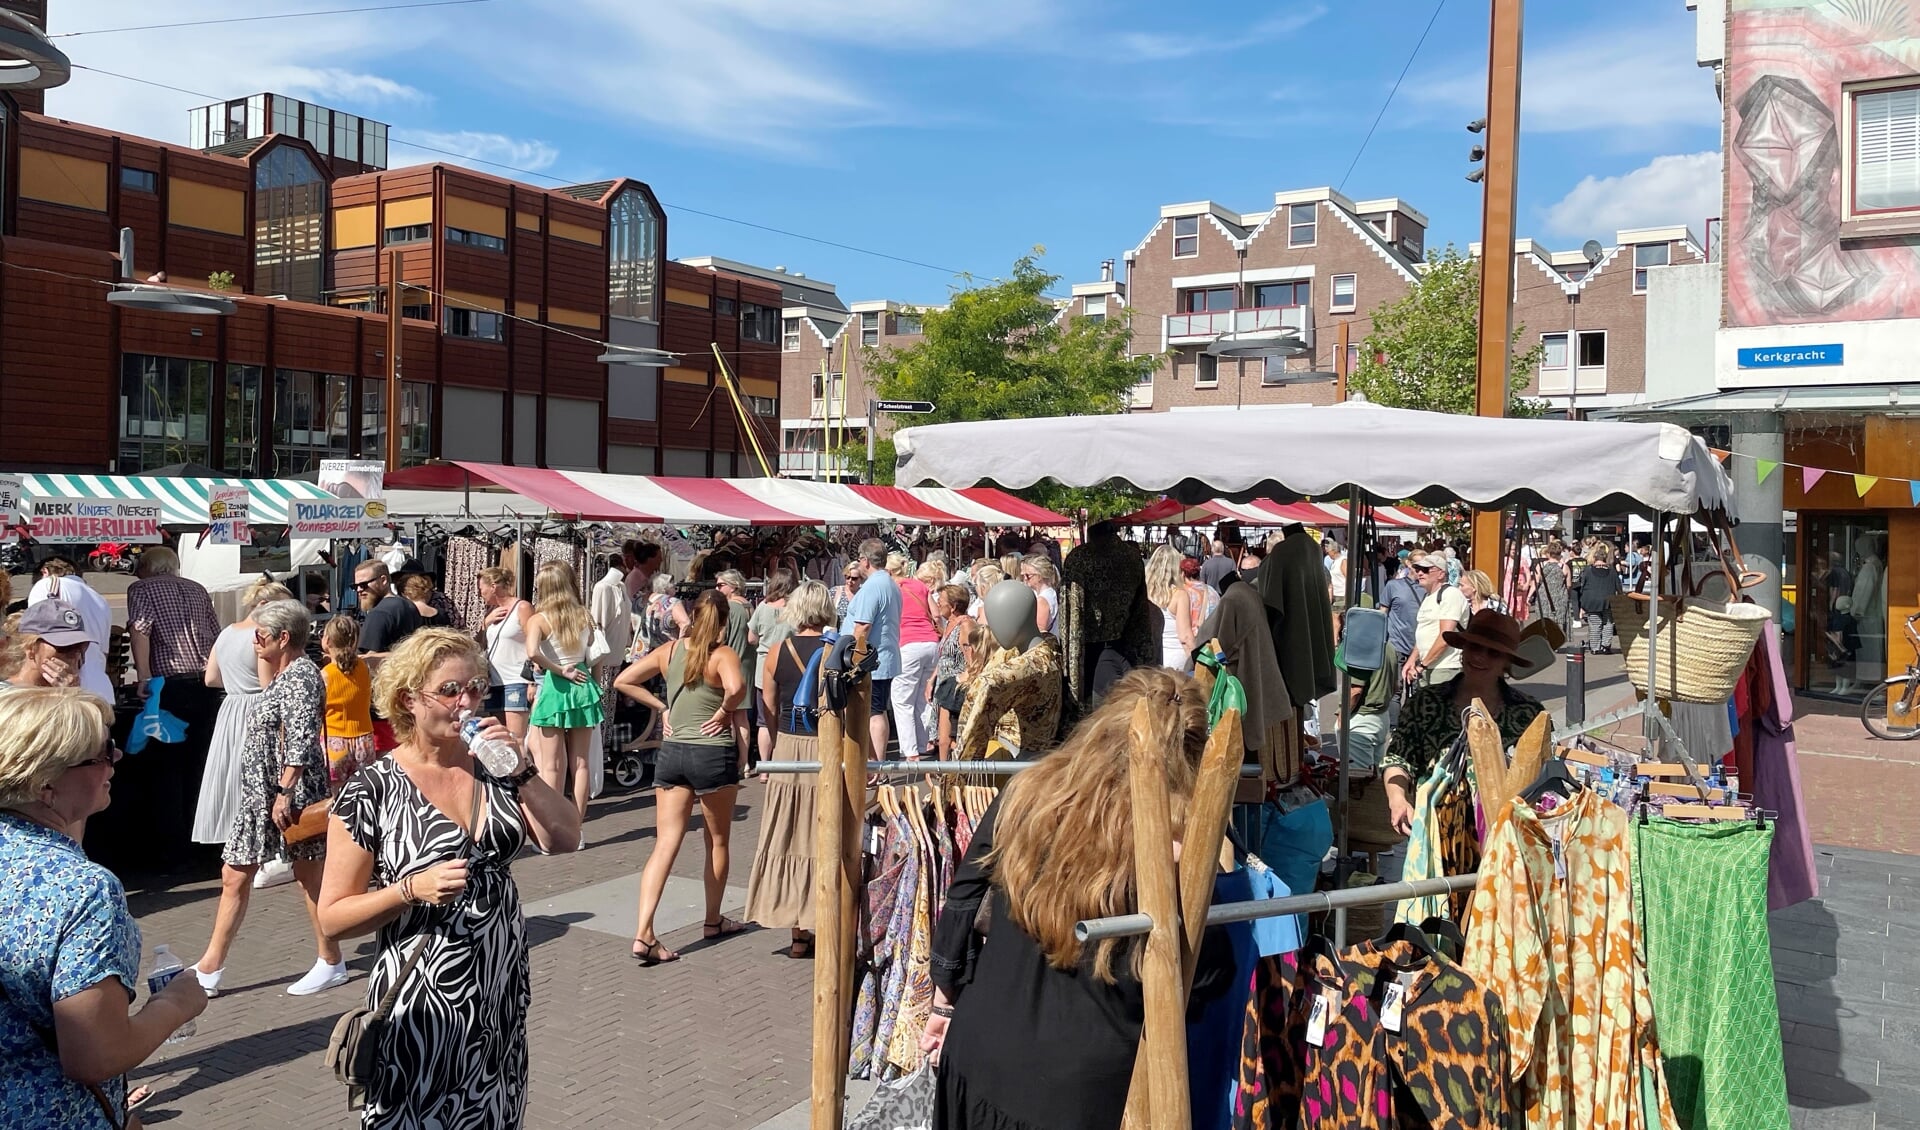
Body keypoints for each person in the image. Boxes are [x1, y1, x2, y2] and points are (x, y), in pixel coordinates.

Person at [918, 668, 1233, 1130]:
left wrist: (944, 1002)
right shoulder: (1174, 856)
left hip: (980, 1053)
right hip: (1077, 1093)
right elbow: (1206, 979)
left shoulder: (1029, 793)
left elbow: (963, 899)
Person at [318, 629, 579, 1128]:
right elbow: (331, 919)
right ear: (406, 700)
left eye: (477, 688)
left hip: (498, 993)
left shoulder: (494, 765)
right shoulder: (372, 789)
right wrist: (409, 890)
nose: (467, 702)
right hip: (421, 1007)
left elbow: (565, 837)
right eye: (450, 690)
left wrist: (522, 771)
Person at [0, 688, 208, 1129]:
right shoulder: (85, 889)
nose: (116, 757)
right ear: (45, 785)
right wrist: (176, 1004)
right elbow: (95, 1054)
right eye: (99, 755)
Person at [190, 600, 347, 998]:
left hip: (284, 793)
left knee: (307, 876)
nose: (254, 640)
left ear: (283, 638)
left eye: (260, 634)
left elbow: (299, 738)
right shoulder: (285, 676)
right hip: (262, 792)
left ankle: (330, 960)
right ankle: (211, 964)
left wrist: (285, 792)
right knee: (236, 872)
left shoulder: (300, 678)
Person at [614, 590, 748, 965]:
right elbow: (736, 687)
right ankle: (713, 919)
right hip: (712, 751)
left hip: (673, 754)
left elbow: (624, 680)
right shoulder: (722, 654)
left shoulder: (670, 651)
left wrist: (664, 707)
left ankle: (644, 931)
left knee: (665, 843)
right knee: (717, 841)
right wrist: (723, 711)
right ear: (724, 622)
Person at [1383, 609, 1549, 835]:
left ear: (1507, 662)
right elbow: (1398, 759)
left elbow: (1544, 777)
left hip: (1506, 840)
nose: (1480, 657)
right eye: (1475, 647)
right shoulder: (1425, 703)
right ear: (1462, 650)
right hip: (1434, 836)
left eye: (1493, 653)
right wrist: (1397, 799)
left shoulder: (1530, 714)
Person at [746, 580, 834, 958]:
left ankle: (797, 932)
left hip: (787, 745)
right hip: (823, 746)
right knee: (822, 833)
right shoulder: (834, 652)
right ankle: (824, 919)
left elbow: (768, 704)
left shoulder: (777, 650)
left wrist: (781, 734)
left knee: (787, 831)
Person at [126, 546, 223, 861]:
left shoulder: (141, 588)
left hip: (168, 685)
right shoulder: (197, 589)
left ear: (146, 568)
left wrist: (143, 676)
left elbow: (141, 631)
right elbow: (215, 634)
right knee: (200, 764)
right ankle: (206, 845)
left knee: (168, 769)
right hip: (206, 682)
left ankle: (174, 852)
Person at [192, 578, 290, 848]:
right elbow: (266, 684)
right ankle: (255, 837)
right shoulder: (261, 637)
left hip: (231, 707)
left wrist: (237, 684)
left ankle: (233, 835)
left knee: (230, 773)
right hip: (255, 707)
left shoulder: (227, 633)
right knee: (257, 774)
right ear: (264, 605)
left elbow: (211, 678)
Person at [524, 561, 604, 848]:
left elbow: (532, 652)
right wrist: (595, 685)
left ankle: (551, 832)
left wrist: (558, 669)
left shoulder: (539, 619)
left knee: (551, 766)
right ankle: (577, 831)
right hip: (583, 689)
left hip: (556, 690)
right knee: (581, 764)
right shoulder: (585, 615)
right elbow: (597, 657)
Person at [841, 539, 903, 761]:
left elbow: (863, 626)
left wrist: (848, 657)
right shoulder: (889, 583)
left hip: (869, 661)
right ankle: (877, 763)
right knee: (876, 711)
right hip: (880, 658)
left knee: (874, 712)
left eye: (859, 559)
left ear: (865, 561)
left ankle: (876, 765)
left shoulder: (873, 586)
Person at [27, 556, 114, 701]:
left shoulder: (48, 585)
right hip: (101, 689)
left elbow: (36, 636)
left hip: (63, 689)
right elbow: (103, 653)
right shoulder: (100, 600)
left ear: (44, 572)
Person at [478, 567, 535, 743]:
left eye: (482, 589)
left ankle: (522, 771)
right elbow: (479, 644)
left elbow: (534, 641)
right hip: (495, 682)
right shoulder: (492, 613)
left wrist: (533, 681)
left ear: (493, 586)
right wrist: (485, 623)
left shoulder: (522, 607)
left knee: (515, 739)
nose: (481, 593)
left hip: (516, 680)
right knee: (499, 738)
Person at [893, 559, 942, 760]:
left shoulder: (892, 588)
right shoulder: (920, 586)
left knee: (902, 700)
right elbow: (937, 615)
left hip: (907, 643)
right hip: (931, 643)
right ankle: (925, 742)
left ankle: (910, 750)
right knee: (924, 697)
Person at [321, 615, 378, 790]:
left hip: (335, 740)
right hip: (364, 739)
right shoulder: (364, 668)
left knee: (336, 797)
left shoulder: (326, 674)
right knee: (363, 793)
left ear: (327, 641)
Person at [1400, 552, 1469, 687]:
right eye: (1418, 569)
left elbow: (1445, 637)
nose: (1420, 573)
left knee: (1442, 707)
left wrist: (1422, 665)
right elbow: (1425, 634)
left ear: (1441, 574)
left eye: (1426, 570)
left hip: (1445, 668)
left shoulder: (1450, 594)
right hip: (1429, 667)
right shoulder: (1428, 597)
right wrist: (1412, 660)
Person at [748, 570, 796, 765]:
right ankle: (784, 758)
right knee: (785, 714)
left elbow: (751, 638)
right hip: (788, 664)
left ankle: (765, 766)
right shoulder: (794, 608)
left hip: (763, 665)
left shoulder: (762, 607)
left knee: (764, 719)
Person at [714, 570, 759, 767]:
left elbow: (721, 637)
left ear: (733, 586)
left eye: (720, 585)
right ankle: (744, 760)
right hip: (748, 665)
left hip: (732, 665)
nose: (717, 588)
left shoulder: (730, 608)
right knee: (742, 718)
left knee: (729, 714)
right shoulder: (749, 605)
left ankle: (732, 760)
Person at [929, 584, 975, 760]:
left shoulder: (965, 625)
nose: (938, 604)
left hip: (955, 689)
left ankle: (947, 773)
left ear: (954, 606)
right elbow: (944, 657)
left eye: (941, 601)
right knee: (941, 739)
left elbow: (972, 659)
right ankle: (944, 771)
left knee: (947, 739)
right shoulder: (950, 624)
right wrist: (931, 680)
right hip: (944, 686)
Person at [3, 600, 90, 691]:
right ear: (31, 648)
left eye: (80, 646)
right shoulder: (5, 697)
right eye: (64, 646)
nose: (75, 654)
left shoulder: (77, 692)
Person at [353, 561, 423, 658]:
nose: (359, 590)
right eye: (355, 586)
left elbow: (368, 658)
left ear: (383, 580)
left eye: (364, 585)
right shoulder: (409, 605)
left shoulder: (379, 613)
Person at [1145, 543, 1194, 673]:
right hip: (1175, 659)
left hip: (1151, 657)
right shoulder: (1179, 595)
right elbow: (1185, 637)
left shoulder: (1144, 593)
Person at [1377, 559, 1424, 675]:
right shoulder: (1393, 585)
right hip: (1396, 644)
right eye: (1417, 565)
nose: (1421, 570)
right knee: (1395, 687)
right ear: (1408, 563)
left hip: (1420, 645)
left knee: (1418, 687)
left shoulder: (1429, 589)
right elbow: (1383, 612)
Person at [1573, 543, 1620, 653]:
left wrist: (1581, 602)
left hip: (1591, 601)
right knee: (1608, 623)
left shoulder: (1588, 570)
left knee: (1595, 624)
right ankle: (1605, 646)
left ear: (1594, 558)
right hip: (1608, 600)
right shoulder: (1612, 571)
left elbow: (1582, 585)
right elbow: (1618, 586)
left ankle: (1595, 647)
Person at [591, 552, 634, 668]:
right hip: (604, 655)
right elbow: (596, 621)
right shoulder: (602, 588)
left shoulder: (621, 587)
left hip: (618, 652)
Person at [645, 572, 689, 649]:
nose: (674, 586)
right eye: (672, 584)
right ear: (665, 588)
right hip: (668, 651)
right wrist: (680, 646)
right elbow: (686, 623)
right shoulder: (672, 602)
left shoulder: (646, 601)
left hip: (647, 651)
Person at [621, 538, 662, 611]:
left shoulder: (652, 576)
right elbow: (632, 606)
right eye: (658, 557)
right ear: (650, 559)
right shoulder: (634, 578)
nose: (661, 560)